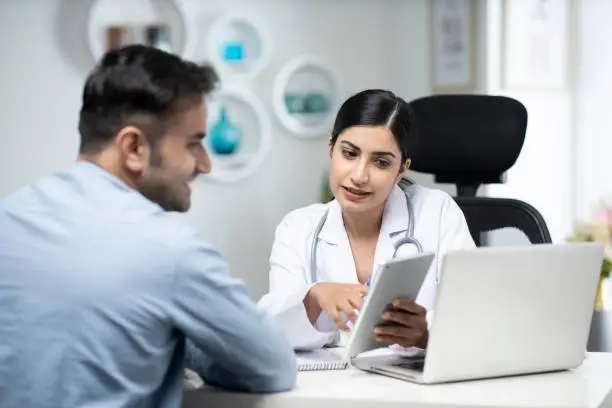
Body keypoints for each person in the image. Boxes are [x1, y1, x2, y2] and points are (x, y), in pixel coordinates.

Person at [0, 45, 297, 408]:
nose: (205, 165)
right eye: (193, 144)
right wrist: (181, 340)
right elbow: (272, 366)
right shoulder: (170, 251)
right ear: (133, 147)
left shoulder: (8, 217)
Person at [258, 89, 475, 351]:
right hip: (330, 387)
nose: (359, 176)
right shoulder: (297, 228)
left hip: (414, 387)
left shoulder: (438, 213)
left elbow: (475, 317)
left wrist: (427, 334)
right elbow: (270, 331)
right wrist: (314, 298)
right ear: (331, 149)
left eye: (381, 162)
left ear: (401, 169)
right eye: (349, 154)